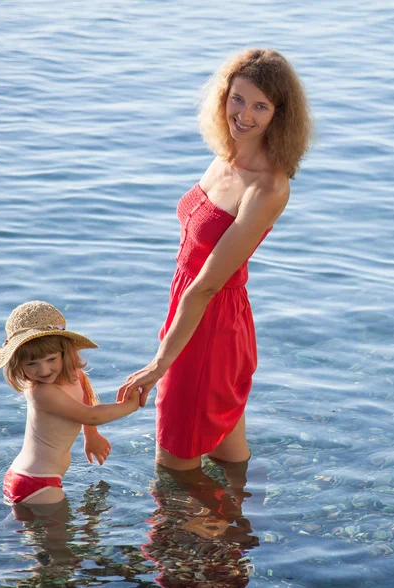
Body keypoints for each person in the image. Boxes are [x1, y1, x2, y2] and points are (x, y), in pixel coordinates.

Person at [118, 48, 313, 470]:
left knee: (174, 468)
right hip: (194, 310)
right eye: (238, 99)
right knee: (227, 455)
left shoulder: (267, 188)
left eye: (261, 106)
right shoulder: (226, 157)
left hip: (211, 322)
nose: (244, 114)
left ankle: (182, 536)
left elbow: (207, 283)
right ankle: (245, 530)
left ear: (279, 115)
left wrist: (158, 364)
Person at [0, 300, 140, 505]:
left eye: (51, 359)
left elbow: (85, 402)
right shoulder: (41, 392)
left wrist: (91, 436)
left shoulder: (75, 374)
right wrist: (130, 405)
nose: (43, 370)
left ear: (64, 352)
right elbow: (91, 415)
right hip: (36, 481)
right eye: (32, 364)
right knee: (60, 536)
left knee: (38, 533)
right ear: (18, 364)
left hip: (40, 478)